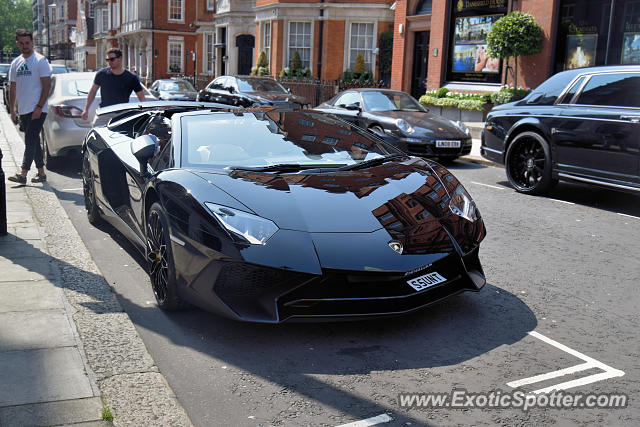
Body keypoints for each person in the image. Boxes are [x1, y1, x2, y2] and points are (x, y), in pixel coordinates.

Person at [7, 28, 52, 184]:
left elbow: (47, 86)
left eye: (27, 43)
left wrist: (39, 107)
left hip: (38, 109)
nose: (25, 45)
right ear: (18, 44)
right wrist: (12, 110)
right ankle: (41, 173)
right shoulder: (16, 63)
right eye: (21, 43)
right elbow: (13, 87)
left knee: (30, 140)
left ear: (32, 42)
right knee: (33, 141)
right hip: (24, 109)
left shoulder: (40, 61)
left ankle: (23, 174)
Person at [80, 48, 145, 121]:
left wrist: (143, 114)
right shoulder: (102, 74)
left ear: (120, 59)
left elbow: (141, 97)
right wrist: (86, 109)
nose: (109, 62)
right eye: (107, 60)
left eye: (112, 59)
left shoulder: (131, 77)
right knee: (96, 131)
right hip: (104, 112)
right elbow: (93, 91)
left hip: (121, 115)